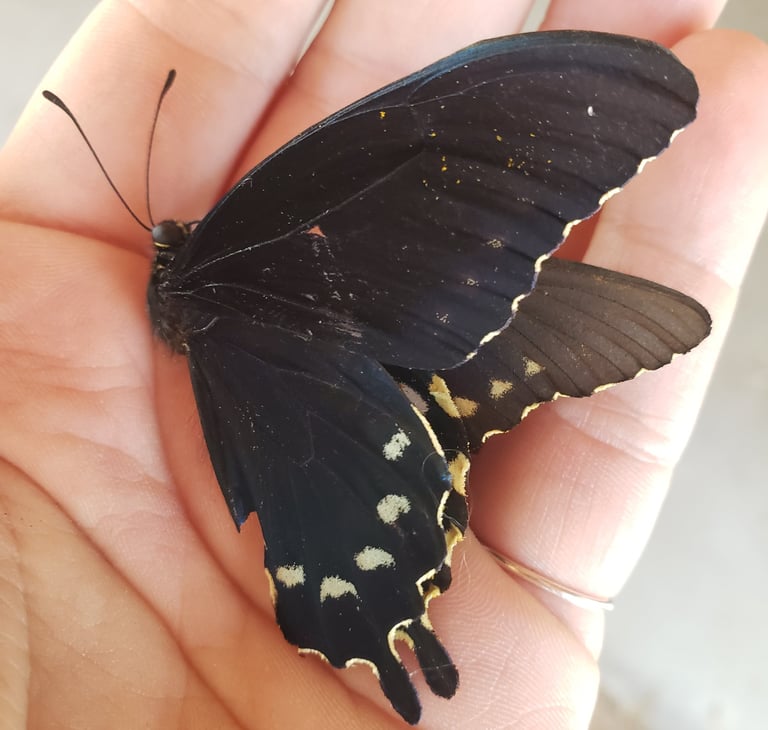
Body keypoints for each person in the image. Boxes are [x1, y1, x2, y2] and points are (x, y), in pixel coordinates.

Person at [0, 2, 766, 728]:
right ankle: (371, 590)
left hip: (338, 443)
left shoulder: (237, 263)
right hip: (333, 440)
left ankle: (374, 586)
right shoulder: (250, 249)